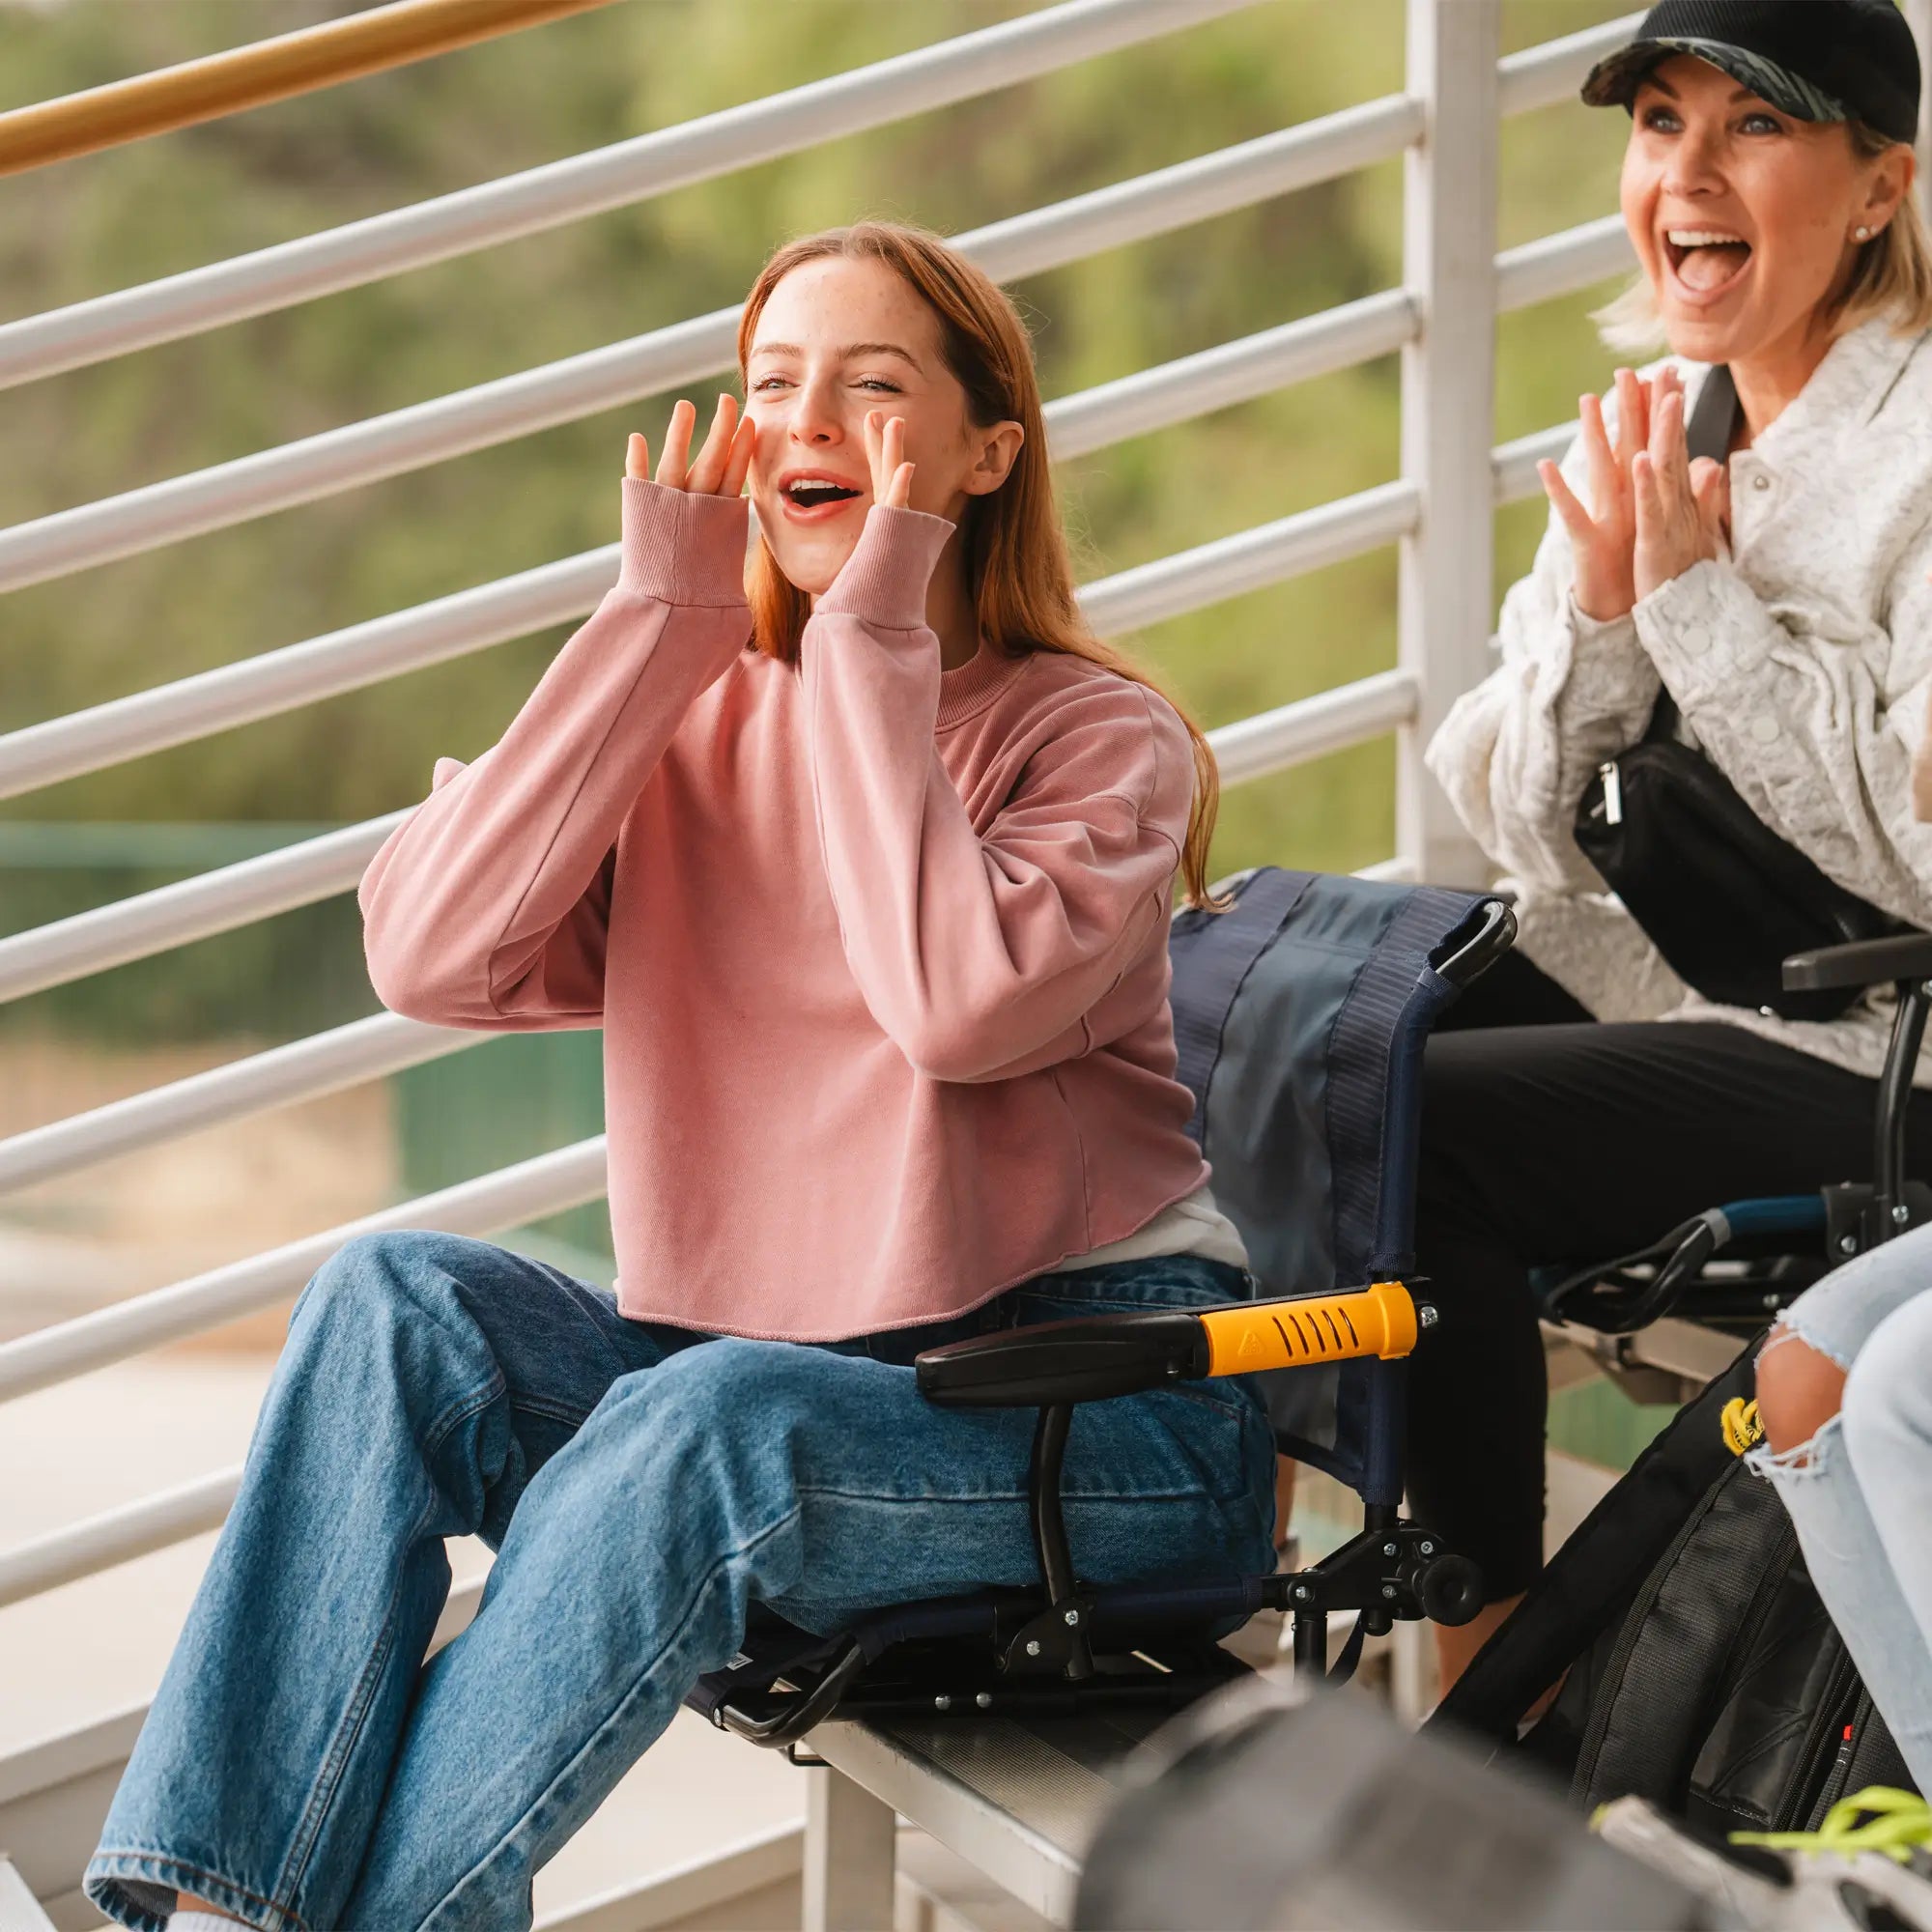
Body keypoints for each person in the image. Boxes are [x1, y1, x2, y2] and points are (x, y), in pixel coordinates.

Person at [83, 223, 1278, 1932]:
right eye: (774, 383)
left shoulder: (1094, 738)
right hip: (786, 1393)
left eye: (874, 388)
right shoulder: (697, 714)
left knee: (714, 1421)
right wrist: (657, 622)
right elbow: (431, 955)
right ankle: (216, 1910)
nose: (810, 421)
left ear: (987, 452)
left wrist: (870, 644)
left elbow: (954, 1006)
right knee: (393, 1298)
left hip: (1097, 1417)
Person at [1411, 0, 1932, 1689]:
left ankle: (1488, 1668)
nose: (1687, 172)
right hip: (1678, 990)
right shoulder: (1663, 414)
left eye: (1755, 127)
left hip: (1884, 1047)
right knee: (1318, 1039)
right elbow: (1517, 828)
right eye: (1659, 123)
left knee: (1425, 1126)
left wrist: (1700, 610)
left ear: (1878, 188)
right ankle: (1303, 1590)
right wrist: (1611, 613)